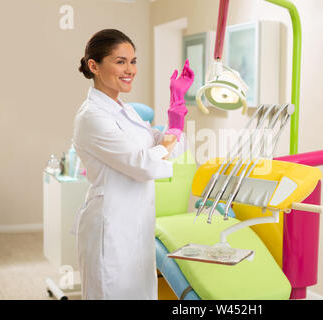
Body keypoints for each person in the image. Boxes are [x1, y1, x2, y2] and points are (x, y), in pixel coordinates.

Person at [72, 29, 194, 299]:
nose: (130, 70)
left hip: (138, 223)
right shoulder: (92, 116)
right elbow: (144, 164)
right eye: (120, 61)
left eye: (133, 61)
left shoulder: (125, 111)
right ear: (94, 66)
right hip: (111, 228)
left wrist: (176, 110)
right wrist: (164, 143)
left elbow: (166, 148)